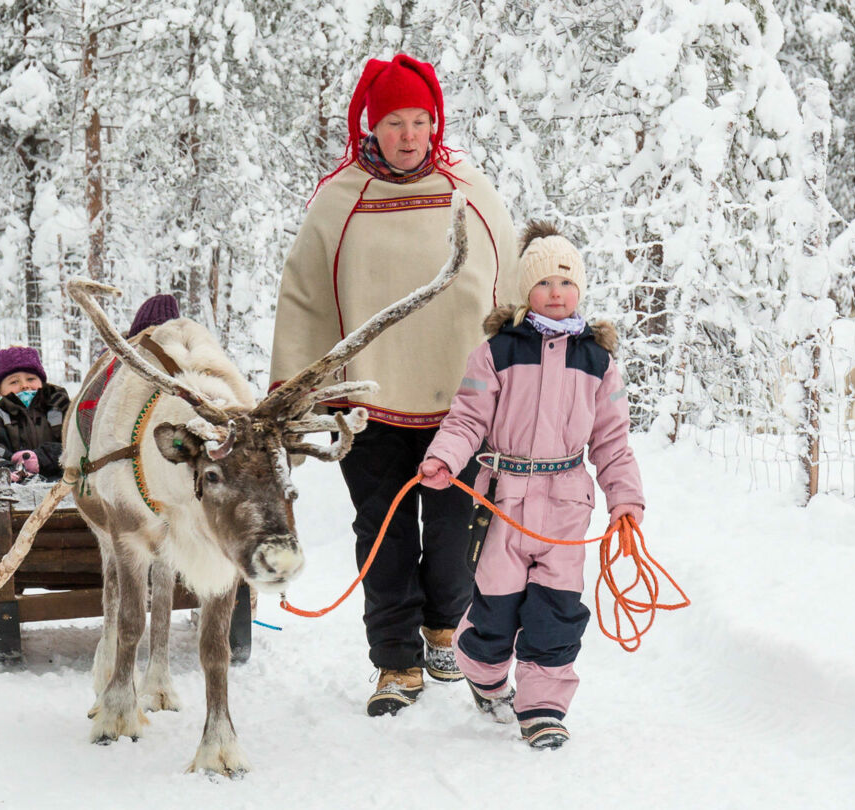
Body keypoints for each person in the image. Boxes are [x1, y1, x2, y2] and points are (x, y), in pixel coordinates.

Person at [270, 54, 518, 717]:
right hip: (370, 403)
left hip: (459, 403)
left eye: (419, 122)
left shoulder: (470, 187)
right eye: (394, 123)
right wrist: (293, 393)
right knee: (382, 533)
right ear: (369, 127)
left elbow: (510, 281)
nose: (409, 136)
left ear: (434, 122)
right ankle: (396, 662)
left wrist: (525, 371)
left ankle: (444, 624)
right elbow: (306, 299)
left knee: (451, 529)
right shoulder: (340, 198)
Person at [416, 224, 645, 750]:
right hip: (505, 500)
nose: (557, 292)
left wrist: (624, 499)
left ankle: (542, 705)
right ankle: (486, 674)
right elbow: (467, 418)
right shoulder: (497, 352)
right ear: (526, 292)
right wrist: (444, 458)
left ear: (580, 290)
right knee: (495, 609)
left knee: (557, 610)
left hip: (567, 502)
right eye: (544, 283)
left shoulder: (598, 362)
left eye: (567, 282)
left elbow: (611, 441)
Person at [0, 346, 72, 490]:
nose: (24, 385)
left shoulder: (62, 410)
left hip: (67, 487)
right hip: (15, 493)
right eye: (14, 382)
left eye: (31, 379)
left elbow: (79, 447)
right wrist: (10, 471)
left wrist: (40, 458)